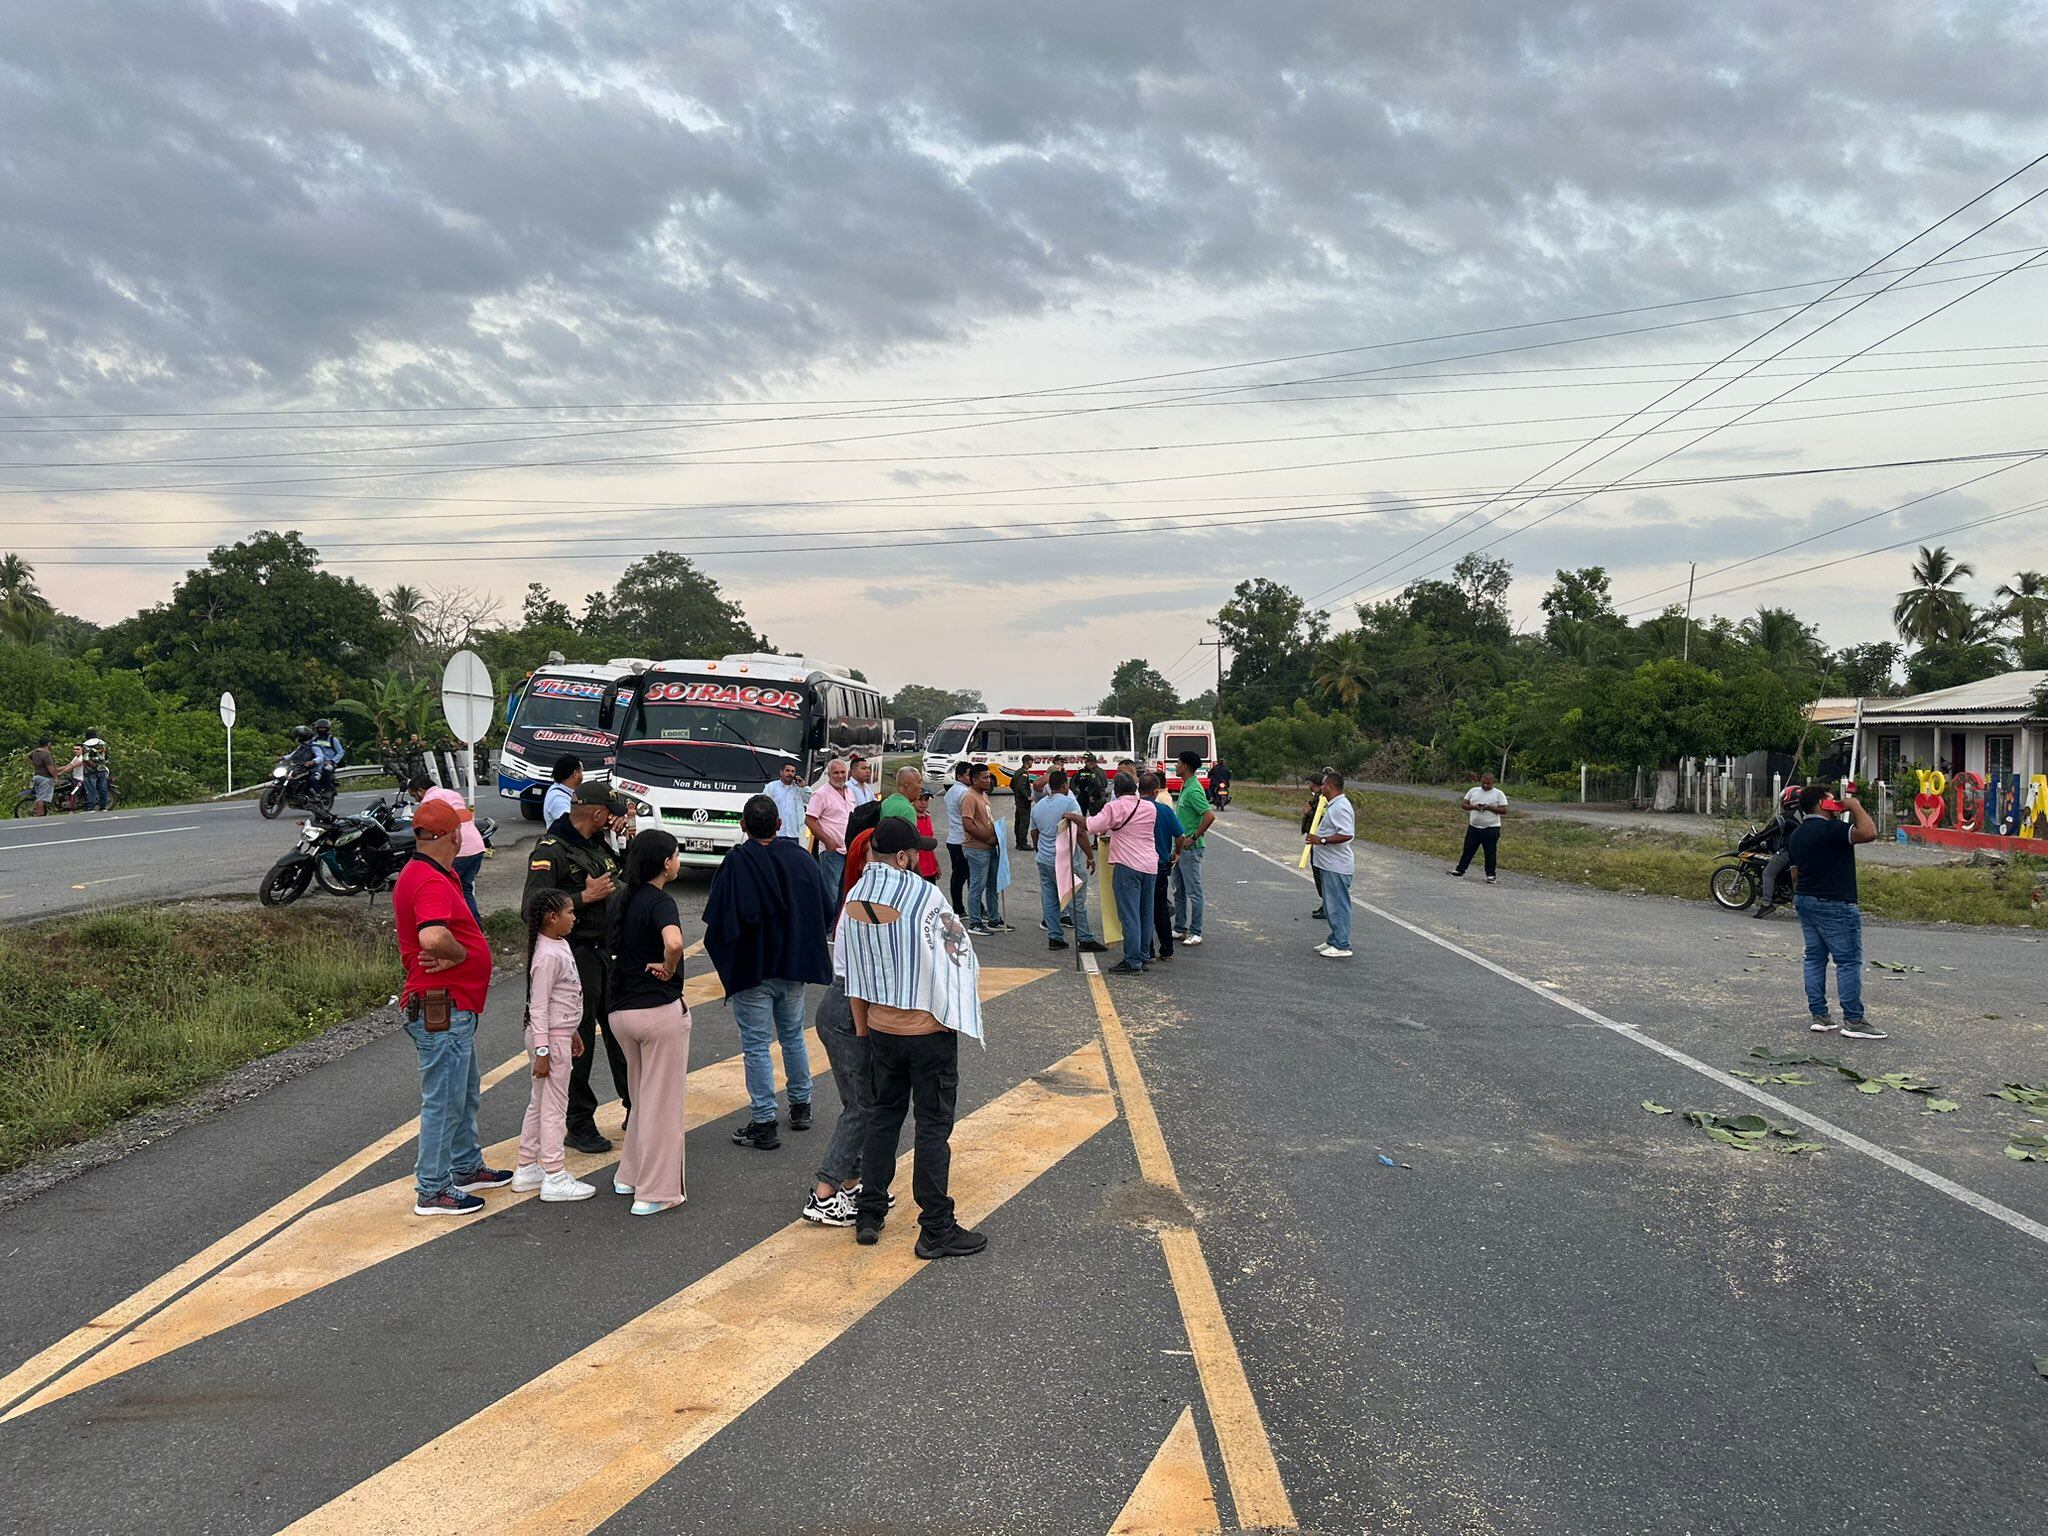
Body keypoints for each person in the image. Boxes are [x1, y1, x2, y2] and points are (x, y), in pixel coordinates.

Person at [842, 817, 987, 1259]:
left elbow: (851, 973)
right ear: (903, 857)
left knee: (884, 1118)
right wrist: (953, 1012)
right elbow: (957, 953)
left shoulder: (855, 896)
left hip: (881, 1029)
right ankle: (936, 1227)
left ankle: (869, 1212)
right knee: (931, 1127)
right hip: (926, 1031)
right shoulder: (923, 893)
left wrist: (865, 1030)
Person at [394, 797, 510, 1216]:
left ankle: (465, 1167)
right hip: (441, 1007)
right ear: (453, 835)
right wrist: (460, 955)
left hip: (449, 1006)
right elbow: (432, 937)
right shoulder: (429, 881)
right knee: (445, 1099)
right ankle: (433, 1188)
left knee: (462, 1092)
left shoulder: (431, 873)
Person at [704, 793, 833, 1150]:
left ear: (743, 826)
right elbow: (826, 910)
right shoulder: (803, 860)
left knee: (757, 1045)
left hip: (753, 968)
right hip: (792, 966)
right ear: (779, 825)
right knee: (793, 1036)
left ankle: (764, 1122)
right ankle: (801, 1106)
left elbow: (717, 921)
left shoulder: (736, 862)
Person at [523, 782, 631, 1155]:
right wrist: (583, 898)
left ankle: (635, 1108)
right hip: (576, 955)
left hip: (606, 952)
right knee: (578, 1038)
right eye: (611, 814)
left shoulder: (597, 844)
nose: (612, 820)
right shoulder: (551, 851)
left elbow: (623, 880)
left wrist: (626, 841)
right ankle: (579, 1123)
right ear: (598, 813)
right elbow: (531, 908)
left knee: (620, 1033)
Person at [606, 829, 691, 1214]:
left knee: (642, 1098)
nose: (678, 861)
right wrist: (670, 969)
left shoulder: (619, 899)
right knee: (663, 1104)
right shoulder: (661, 902)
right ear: (664, 862)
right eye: (675, 855)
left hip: (620, 1011)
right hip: (657, 1012)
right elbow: (673, 943)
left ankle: (630, 1175)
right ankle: (655, 1191)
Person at [511, 889, 596, 1203]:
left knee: (540, 1103)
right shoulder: (547, 955)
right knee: (554, 1109)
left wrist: (571, 1030)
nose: (574, 918)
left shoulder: (556, 946)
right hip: (550, 1042)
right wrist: (544, 1052)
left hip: (557, 1036)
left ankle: (526, 1166)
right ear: (552, 917)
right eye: (570, 912)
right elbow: (540, 1007)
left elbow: (561, 999)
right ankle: (555, 1174)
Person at [1787, 785, 1884, 1039]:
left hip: (1805, 900)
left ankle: (1820, 1015)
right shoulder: (1833, 830)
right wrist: (1854, 806)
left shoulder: (1796, 834)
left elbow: (1795, 873)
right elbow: (1870, 832)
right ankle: (1853, 1019)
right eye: (1832, 800)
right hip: (1836, 903)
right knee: (1848, 961)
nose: (1837, 803)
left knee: (1814, 958)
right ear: (1823, 803)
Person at [1086, 772, 1160, 974]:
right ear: (1134, 789)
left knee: (1129, 916)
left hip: (1127, 866)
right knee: (1145, 914)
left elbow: (1092, 826)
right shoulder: (1149, 807)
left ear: (1116, 791)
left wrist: (1073, 816)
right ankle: (1144, 955)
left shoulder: (1115, 806)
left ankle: (1132, 960)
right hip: (1150, 866)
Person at [1030, 767, 1103, 953]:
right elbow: (1080, 832)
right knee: (1076, 898)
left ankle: (1055, 936)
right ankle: (1085, 938)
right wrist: (1090, 855)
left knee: (1050, 897)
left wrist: (1040, 849)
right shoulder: (1070, 803)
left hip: (1045, 859)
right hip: (1066, 859)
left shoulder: (1038, 806)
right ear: (1065, 785)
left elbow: (1034, 832)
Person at [412, 774, 487, 924]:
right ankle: (476, 926)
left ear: (420, 791)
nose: (415, 800)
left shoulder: (429, 801)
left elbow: (428, 830)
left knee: (446, 891)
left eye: (414, 795)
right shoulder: (453, 794)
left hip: (458, 849)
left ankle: (452, 928)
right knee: (465, 890)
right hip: (476, 846)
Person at [1307, 770, 1356, 958]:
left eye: (1324, 784)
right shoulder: (1331, 805)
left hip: (1337, 865)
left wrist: (1323, 840)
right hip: (1328, 864)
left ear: (1330, 786)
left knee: (1338, 905)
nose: (1321, 787)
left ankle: (1342, 944)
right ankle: (1335, 938)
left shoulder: (1340, 806)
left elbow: (1346, 833)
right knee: (1330, 905)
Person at [1172, 749, 1215, 946]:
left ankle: (1196, 931)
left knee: (1193, 891)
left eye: (1179, 763)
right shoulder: (1185, 786)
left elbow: (1209, 815)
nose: (1176, 766)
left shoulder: (1194, 789)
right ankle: (1180, 927)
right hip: (1181, 848)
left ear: (1186, 766)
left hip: (1191, 848)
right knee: (1178, 889)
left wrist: (1194, 836)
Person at [805, 757, 856, 918]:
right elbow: (809, 820)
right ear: (829, 774)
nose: (840, 776)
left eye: (842, 772)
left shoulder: (849, 791)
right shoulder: (821, 794)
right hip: (832, 852)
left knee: (844, 891)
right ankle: (825, 926)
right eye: (836, 773)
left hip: (848, 849)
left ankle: (836, 927)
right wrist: (827, 840)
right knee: (830, 893)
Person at [1142, 771, 1183, 963]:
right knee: (1161, 908)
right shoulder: (1165, 811)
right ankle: (1166, 950)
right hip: (1161, 864)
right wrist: (1177, 853)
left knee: (1143, 909)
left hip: (1140, 864)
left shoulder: (1135, 809)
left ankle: (1147, 950)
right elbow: (1180, 836)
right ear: (1157, 791)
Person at [1749, 785, 1805, 919]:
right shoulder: (1811, 813)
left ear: (1788, 799)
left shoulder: (1784, 817)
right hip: (1810, 852)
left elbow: (1765, 833)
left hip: (1790, 852)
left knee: (1768, 873)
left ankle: (1767, 904)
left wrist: (1750, 841)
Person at [960, 764, 1003, 934]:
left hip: (990, 847)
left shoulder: (983, 795)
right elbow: (967, 824)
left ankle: (994, 919)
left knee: (993, 885)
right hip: (977, 848)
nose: (988, 780)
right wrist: (986, 838)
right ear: (974, 779)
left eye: (989, 777)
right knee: (977, 886)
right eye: (984, 777)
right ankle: (975, 923)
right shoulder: (969, 797)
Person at [1450, 771, 1509, 882]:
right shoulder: (1473, 791)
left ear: (1493, 782)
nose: (1485, 785)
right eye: (1483, 783)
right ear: (1481, 781)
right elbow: (1464, 804)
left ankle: (1490, 875)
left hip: (1491, 828)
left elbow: (1504, 810)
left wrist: (1489, 807)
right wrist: (1474, 807)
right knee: (1468, 849)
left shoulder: (1498, 794)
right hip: (1474, 826)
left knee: (1490, 852)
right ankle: (1460, 870)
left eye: (1488, 783)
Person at [943, 761, 974, 916]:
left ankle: (958, 908)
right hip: (963, 841)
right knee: (971, 877)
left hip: (953, 840)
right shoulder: (964, 793)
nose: (972, 778)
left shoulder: (951, 791)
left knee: (958, 876)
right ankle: (977, 909)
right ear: (960, 776)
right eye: (969, 775)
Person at [764, 760, 808, 840]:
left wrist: (804, 787)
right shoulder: (772, 787)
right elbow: (763, 805)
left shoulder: (799, 788)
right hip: (775, 833)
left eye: (792, 771)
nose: (790, 773)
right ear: (781, 772)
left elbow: (811, 800)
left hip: (794, 834)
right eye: (787, 770)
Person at [309, 718, 345, 797]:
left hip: (329, 763)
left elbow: (340, 752)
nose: (321, 730)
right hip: (318, 762)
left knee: (326, 769)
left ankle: (327, 789)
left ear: (327, 729)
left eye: (323, 728)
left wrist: (332, 761)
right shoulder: (314, 740)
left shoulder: (333, 740)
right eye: (319, 728)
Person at [543, 754, 583, 827]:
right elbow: (570, 825)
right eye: (581, 772)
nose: (582, 775)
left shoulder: (564, 791)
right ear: (575, 774)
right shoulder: (558, 798)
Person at [914, 791, 943, 883]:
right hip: (918, 870)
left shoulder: (927, 817)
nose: (923, 803)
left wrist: (936, 864)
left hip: (930, 869)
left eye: (926, 800)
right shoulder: (912, 818)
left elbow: (930, 846)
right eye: (920, 799)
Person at [80, 728, 110, 813]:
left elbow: (85, 758)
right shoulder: (103, 743)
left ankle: (91, 807)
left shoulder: (85, 745)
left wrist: (91, 765)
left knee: (91, 789)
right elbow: (106, 756)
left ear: (87, 736)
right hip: (102, 768)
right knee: (103, 788)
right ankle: (103, 806)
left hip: (90, 771)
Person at [1012, 754, 1038, 849]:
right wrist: (1027, 797)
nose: (1032, 763)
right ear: (1028, 762)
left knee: (1018, 821)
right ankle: (1023, 844)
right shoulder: (1024, 773)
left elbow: (1012, 785)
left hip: (1019, 800)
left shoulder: (1017, 772)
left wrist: (1017, 794)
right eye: (1032, 761)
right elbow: (1021, 786)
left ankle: (1018, 843)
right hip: (1023, 802)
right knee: (1024, 822)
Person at [27, 737, 58, 816]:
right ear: (48, 744)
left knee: (39, 796)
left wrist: (35, 765)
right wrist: (55, 777)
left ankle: (41, 813)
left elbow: (28, 757)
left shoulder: (35, 751)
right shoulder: (46, 753)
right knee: (41, 798)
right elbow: (50, 767)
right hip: (45, 777)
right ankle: (40, 816)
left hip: (36, 776)